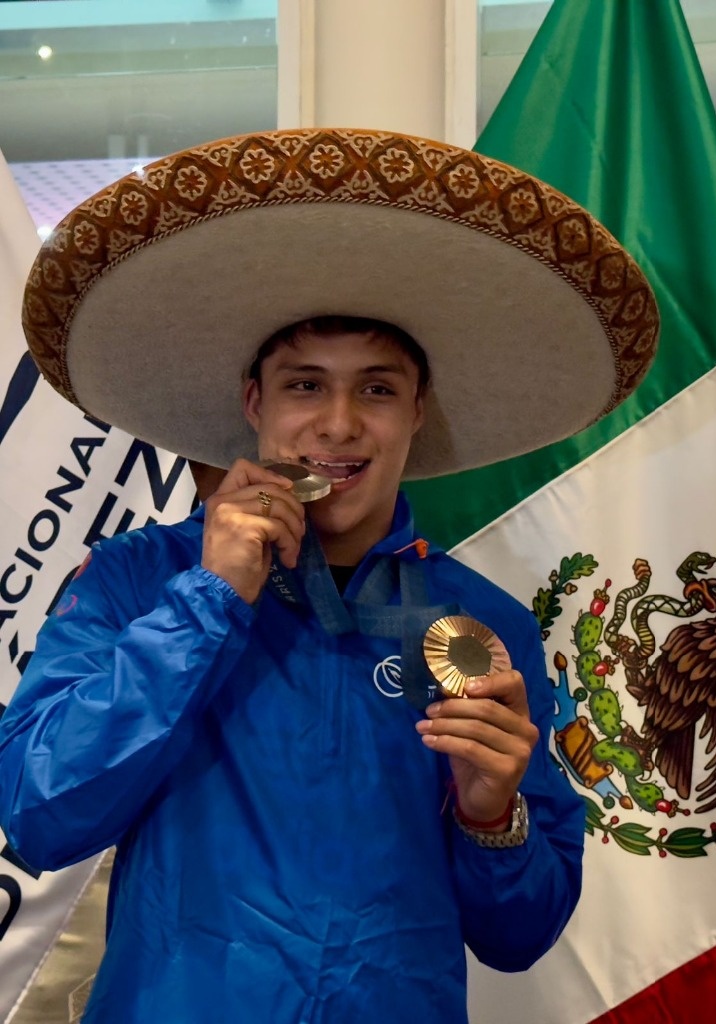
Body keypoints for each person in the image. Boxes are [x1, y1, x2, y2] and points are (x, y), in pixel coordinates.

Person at [0, 128, 659, 1023]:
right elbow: (41, 815)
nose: (339, 425)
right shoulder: (135, 579)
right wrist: (208, 597)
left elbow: (521, 937)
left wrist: (491, 814)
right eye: (306, 386)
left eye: (377, 390)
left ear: (416, 412)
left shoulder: (482, 624)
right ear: (255, 405)